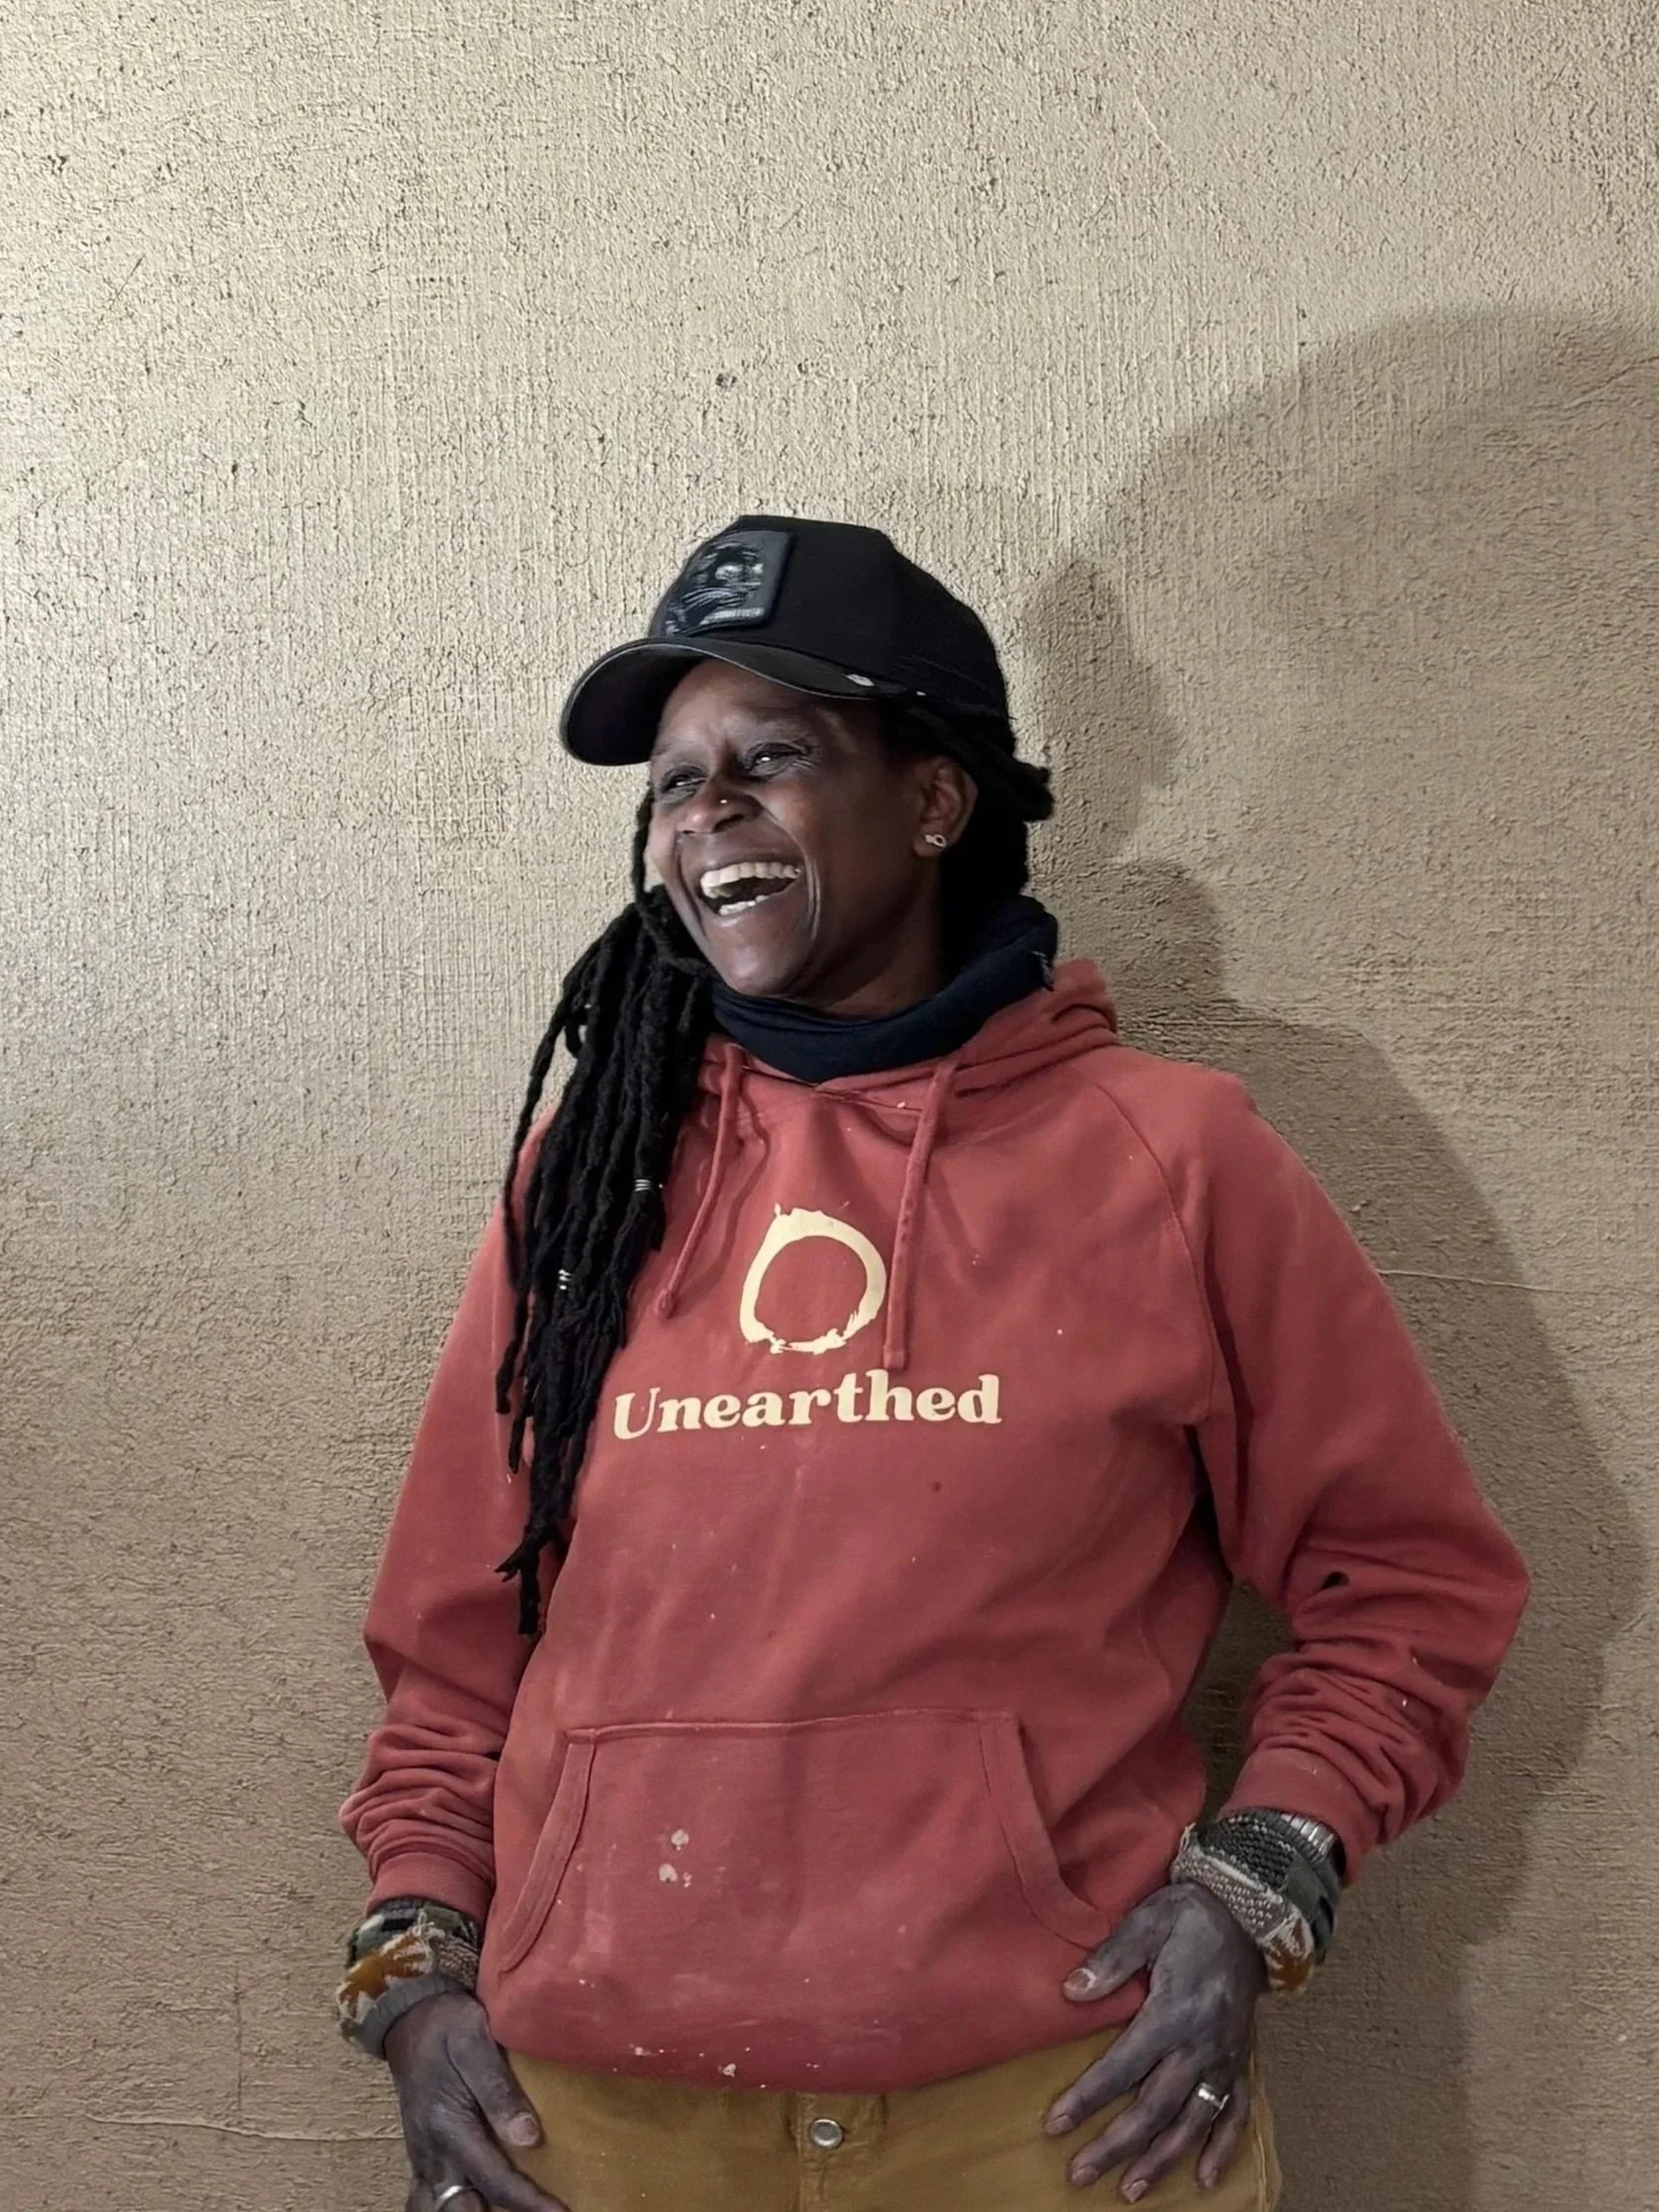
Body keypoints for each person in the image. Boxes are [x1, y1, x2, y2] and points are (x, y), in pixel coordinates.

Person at [337, 516, 1529, 2212]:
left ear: (933, 799)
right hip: (596, 2123)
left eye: (776, 758)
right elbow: (459, 1650)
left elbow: (1407, 1579)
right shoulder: (590, 1183)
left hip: (1063, 2112)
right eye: (674, 783)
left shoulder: (1173, 1160)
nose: (706, 816)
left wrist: (1260, 1882)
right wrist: (415, 1975)